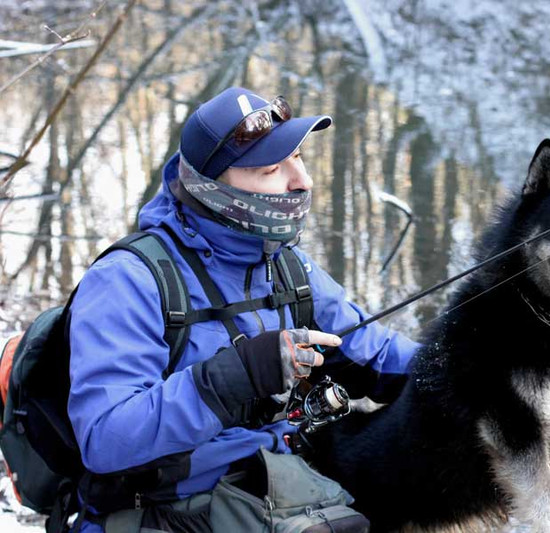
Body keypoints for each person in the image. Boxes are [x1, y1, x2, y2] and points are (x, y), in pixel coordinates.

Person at [67, 87, 419, 531]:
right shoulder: (127, 280)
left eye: (299, 158)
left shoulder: (287, 266)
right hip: (159, 511)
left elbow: (378, 353)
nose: (302, 181)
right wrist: (234, 376)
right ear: (213, 190)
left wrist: (468, 364)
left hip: (277, 489)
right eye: (274, 168)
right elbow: (105, 439)